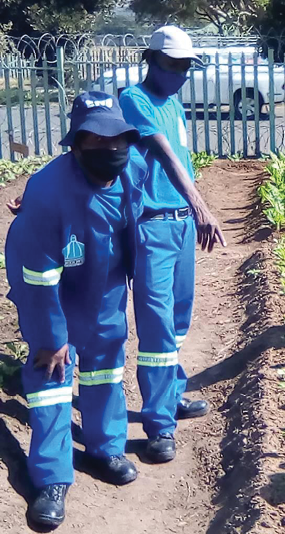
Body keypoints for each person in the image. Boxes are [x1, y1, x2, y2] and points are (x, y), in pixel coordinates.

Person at [6, 92, 148, 528]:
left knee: (106, 362)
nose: (112, 150)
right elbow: (38, 277)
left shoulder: (134, 170)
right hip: (49, 284)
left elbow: (134, 229)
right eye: (99, 141)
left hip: (102, 279)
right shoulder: (48, 192)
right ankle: (50, 477)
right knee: (51, 374)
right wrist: (52, 338)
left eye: (119, 139)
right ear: (77, 145)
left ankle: (106, 448)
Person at [119, 25, 226, 464]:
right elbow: (162, 152)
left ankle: (173, 392)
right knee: (158, 324)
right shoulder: (135, 100)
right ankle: (159, 424)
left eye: (187, 67)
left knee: (179, 318)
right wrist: (199, 205)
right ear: (152, 61)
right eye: (174, 66)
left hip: (179, 224)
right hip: (153, 225)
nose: (182, 74)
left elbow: (182, 159)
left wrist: (194, 211)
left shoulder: (174, 103)